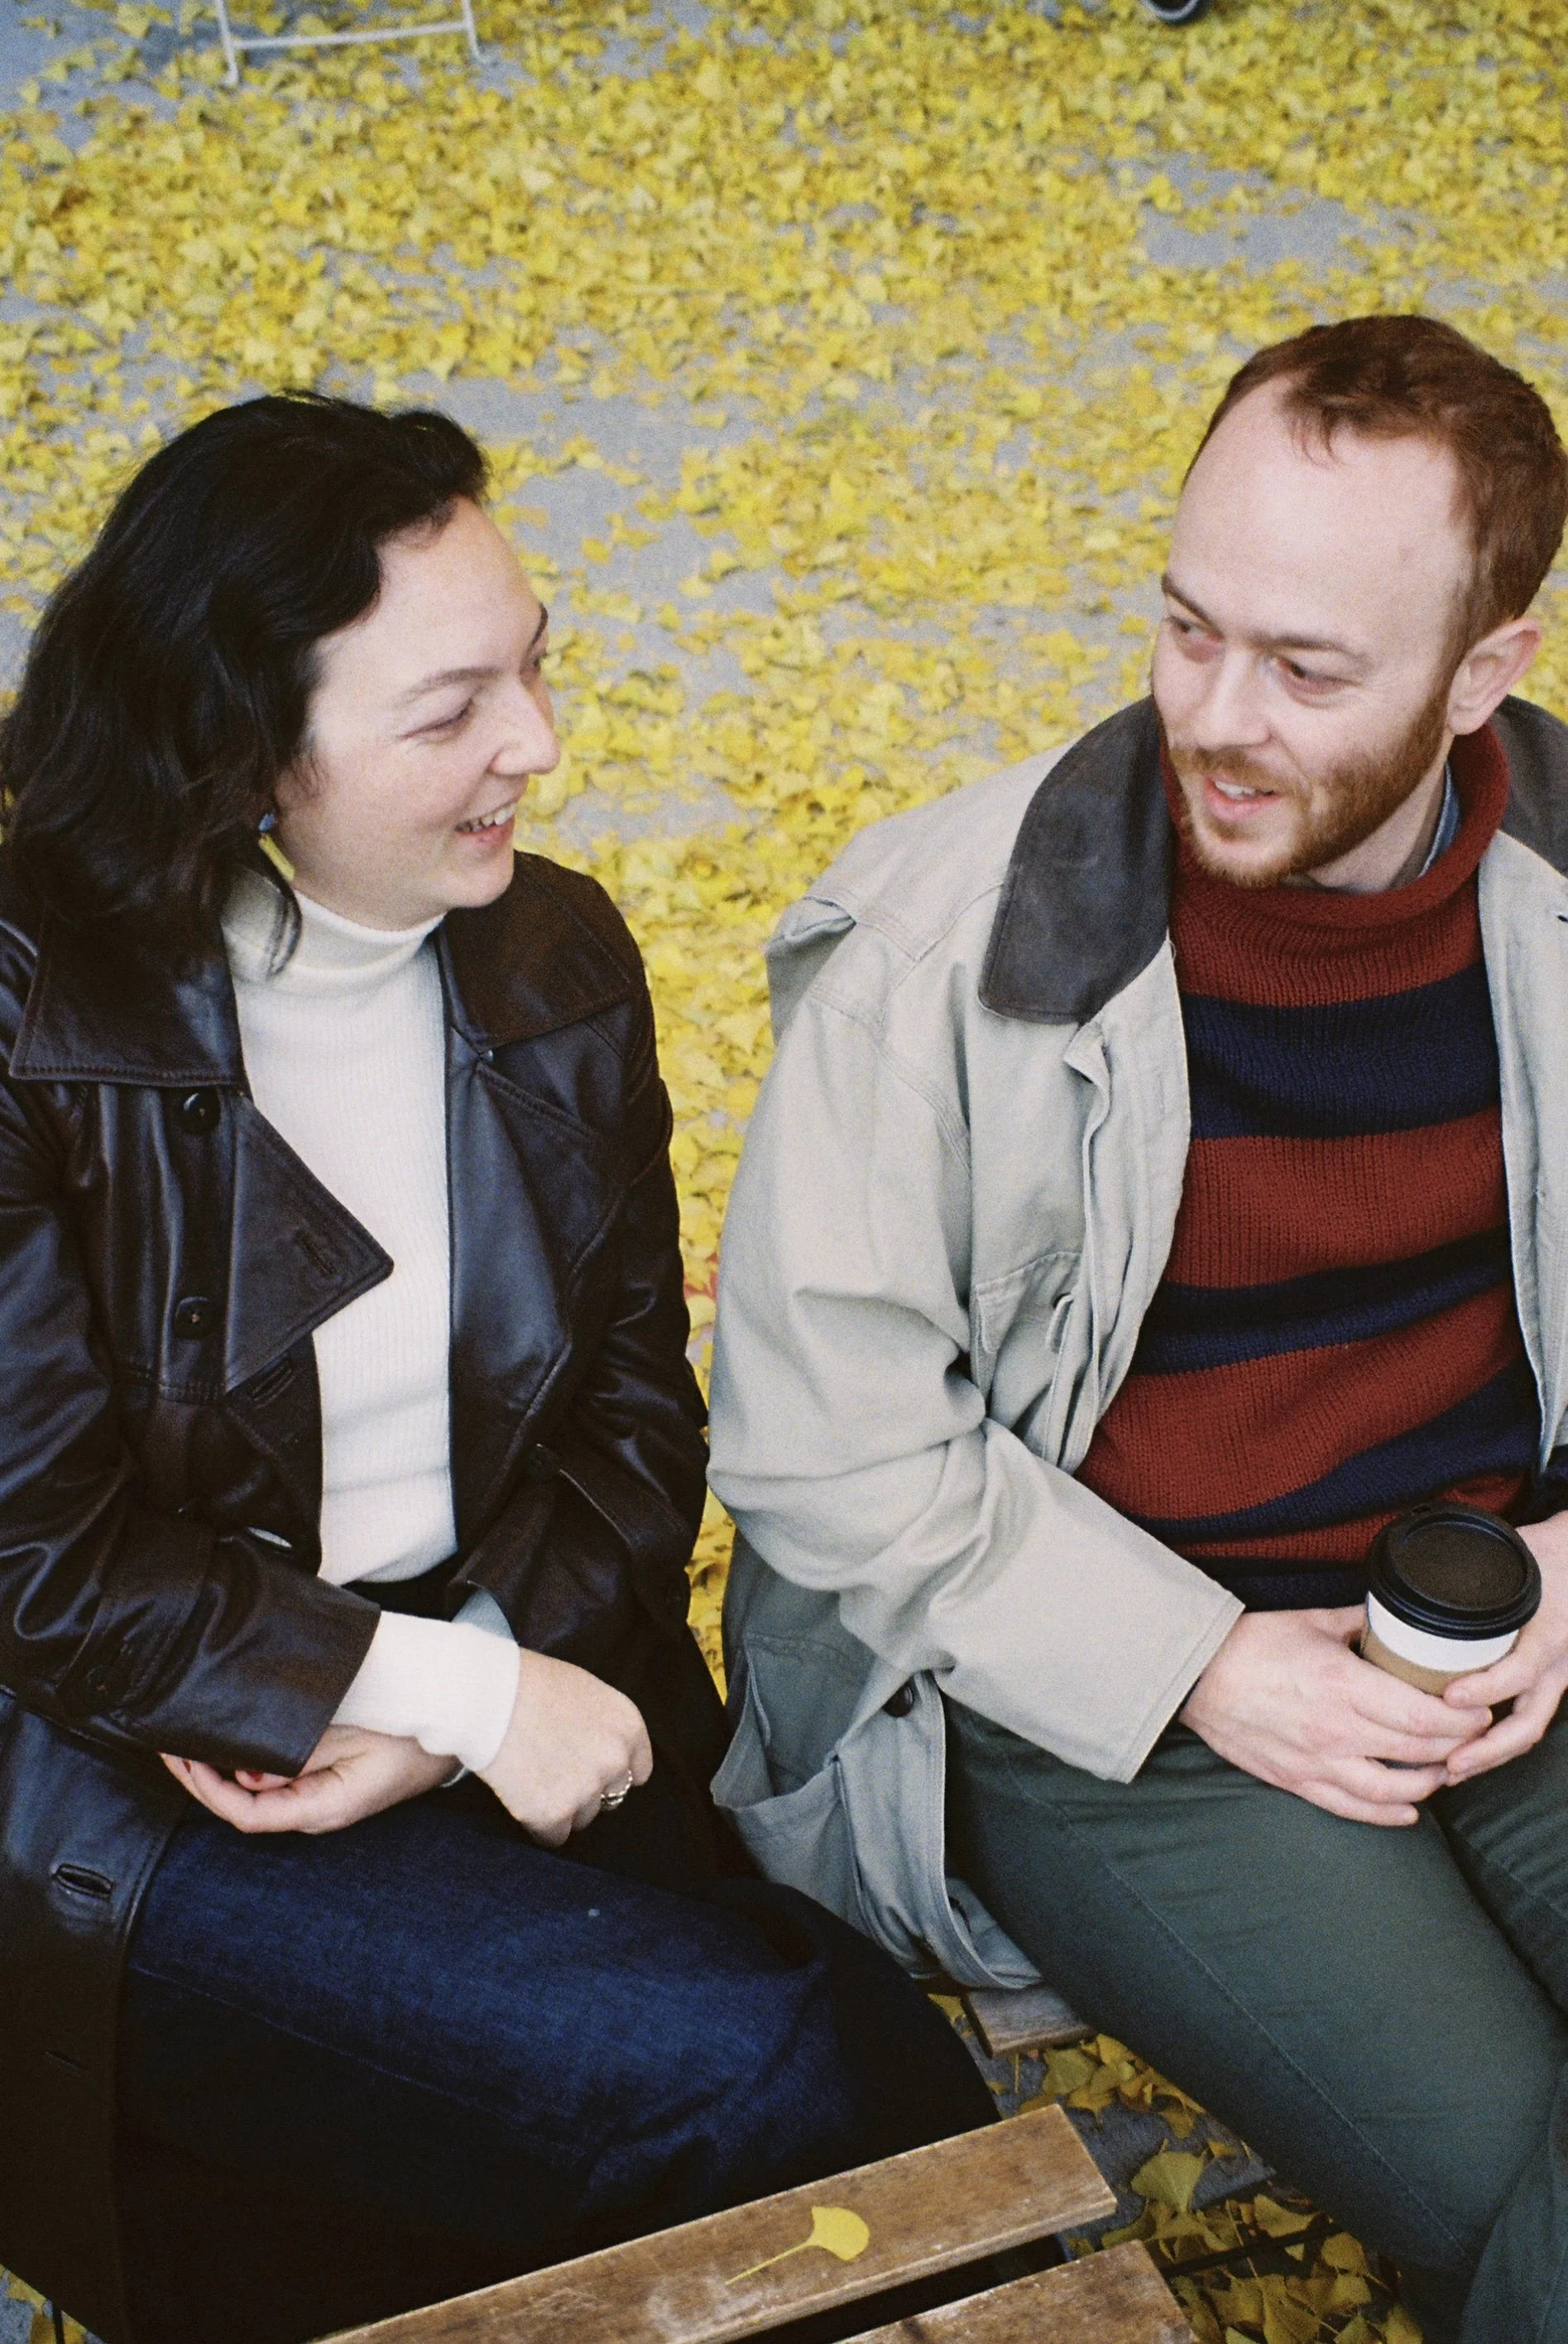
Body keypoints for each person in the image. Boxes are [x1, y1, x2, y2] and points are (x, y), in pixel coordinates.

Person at [0, 394, 993, 2344]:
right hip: (138, 1780)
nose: (534, 743)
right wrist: (437, 1690)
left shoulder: (551, 963)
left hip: (497, 1668)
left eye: (529, 668)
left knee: (892, 2083)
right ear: (238, 745)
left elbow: (634, 1419)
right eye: (448, 711)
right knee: (751, 2086)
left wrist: (471, 1680)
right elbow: (44, 1565)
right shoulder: (29, 1014)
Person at [707, 314, 1568, 2342]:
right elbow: (823, 1447)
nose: (1214, 713)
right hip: (1112, 1691)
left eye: (1304, 667)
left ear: (1482, 672)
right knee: (1491, 2160)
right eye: (1187, 628)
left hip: (1505, 1613)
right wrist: (1195, 1668)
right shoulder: (934, 949)